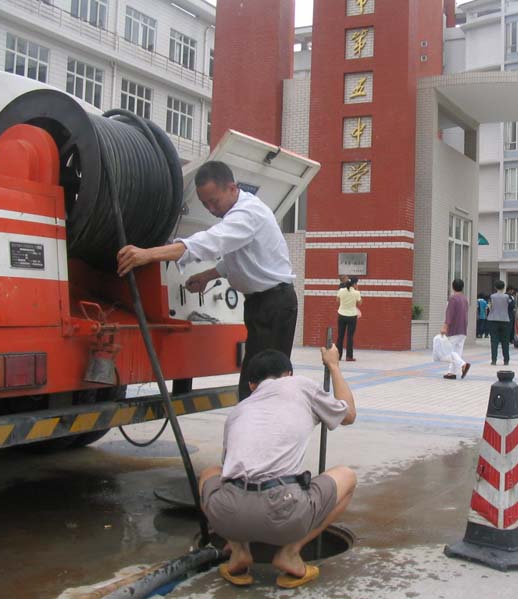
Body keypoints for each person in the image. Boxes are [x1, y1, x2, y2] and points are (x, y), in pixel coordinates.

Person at [116, 161, 298, 400]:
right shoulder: (239, 213)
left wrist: (148, 254)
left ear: (232, 188)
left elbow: (210, 243)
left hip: (273, 304)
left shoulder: (247, 214)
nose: (211, 209)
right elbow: (239, 258)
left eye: (214, 201)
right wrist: (207, 276)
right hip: (262, 304)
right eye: (205, 204)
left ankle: (261, 434)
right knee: (258, 380)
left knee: (263, 385)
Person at [198, 347, 357, 589]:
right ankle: (290, 553)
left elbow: (228, 473)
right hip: (286, 511)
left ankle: (239, 550)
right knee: (347, 476)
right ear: (289, 374)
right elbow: (349, 414)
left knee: (210, 473)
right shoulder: (300, 385)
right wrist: (334, 365)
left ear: (252, 385)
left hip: (227, 516)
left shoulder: (238, 412)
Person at [441, 278, 471, 380]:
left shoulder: (453, 299)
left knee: (449, 351)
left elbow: (450, 314)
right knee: (457, 352)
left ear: (453, 287)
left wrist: (445, 326)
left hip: (454, 329)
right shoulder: (465, 299)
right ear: (462, 287)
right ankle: (451, 372)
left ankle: (463, 364)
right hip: (463, 328)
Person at [336, 277, 362, 362]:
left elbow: (337, 300)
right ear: (354, 284)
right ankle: (349, 356)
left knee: (340, 336)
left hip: (341, 315)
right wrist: (357, 290)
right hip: (352, 316)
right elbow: (359, 303)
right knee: (350, 337)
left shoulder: (341, 291)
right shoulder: (356, 293)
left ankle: (338, 356)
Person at [487, 280, 511, 366]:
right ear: (504, 287)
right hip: (505, 319)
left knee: (494, 341)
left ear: (495, 287)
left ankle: (494, 360)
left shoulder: (492, 296)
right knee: (505, 341)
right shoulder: (507, 297)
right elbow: (510, 307)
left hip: (493, 319)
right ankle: (506, 360)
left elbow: (489, 307)